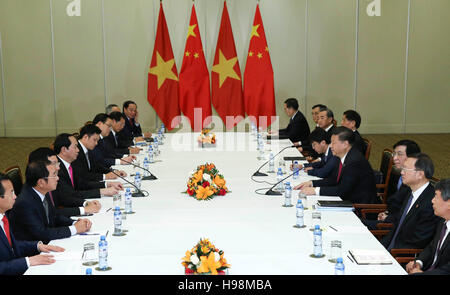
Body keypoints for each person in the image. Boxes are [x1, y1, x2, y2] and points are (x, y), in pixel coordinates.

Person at [8, 161, 92, 244]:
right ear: (41, 182)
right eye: (54, 175)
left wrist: (75, 222)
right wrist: (75, 229)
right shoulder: (25, 203)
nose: (57, 178)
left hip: (48, 242)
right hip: (34, 250)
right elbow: (42, 233)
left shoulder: (42, 190)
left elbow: (54, 216)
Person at [0, 173, 65, 275]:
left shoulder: (3, 216)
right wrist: (28, 261)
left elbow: (13, 246)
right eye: (11, 192)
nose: (15, 196)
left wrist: (38, 246)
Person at [294, 127, 377, 204]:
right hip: (347, 199)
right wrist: (311, 183)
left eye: (333, 143)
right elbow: (333, 180)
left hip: (359, 206)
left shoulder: (354, 162)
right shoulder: (342, 156)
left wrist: (315, 191)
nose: (330, 146)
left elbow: (342, 191)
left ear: (345, 144)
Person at [381, 153, 440, 251]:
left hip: (401, 257)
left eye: (405, 169)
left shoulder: (431, 203)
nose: (401, 173)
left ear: (420, 174)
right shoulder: (410, 192)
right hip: (389, 247)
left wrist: (389, 255)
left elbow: (418, 242)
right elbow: (397, 228)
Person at [362, 140, 421, 229]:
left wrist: (388, 217)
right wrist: (386, 213)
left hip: (396, 227)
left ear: (412, 158)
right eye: (394, 154)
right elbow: (396, 203)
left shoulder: (415, 183)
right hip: (388, 217)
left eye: (400, 154)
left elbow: (408, 213)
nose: (394, 158)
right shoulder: (400, 175)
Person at [28, 147, 101, 217]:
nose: (58, 167)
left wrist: (85, 203)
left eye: (58, 163)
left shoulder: (48, 181)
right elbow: (53, 214)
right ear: (40, 166)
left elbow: (63, 198)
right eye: (54, 164)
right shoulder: (32, 195)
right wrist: (83, 210)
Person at [53, 133, 122, 199]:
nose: (78, 150)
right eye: (75, 147)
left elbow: (82, 184)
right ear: (64, 150)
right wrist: (101, 192)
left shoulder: (71, 163)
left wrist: (107, 184)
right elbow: (70, 195)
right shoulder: (56, 169)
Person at [406, 179, 450, 275]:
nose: (432, 201)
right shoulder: (442, 222)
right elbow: (431, 247)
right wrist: (419, 262)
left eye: (436, 196)